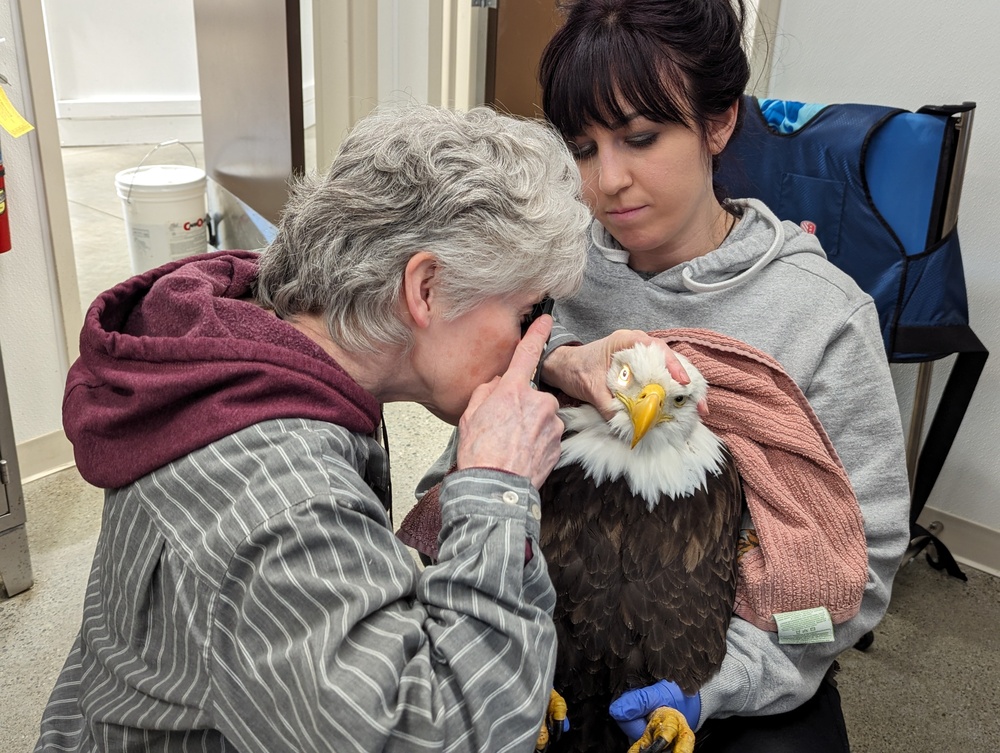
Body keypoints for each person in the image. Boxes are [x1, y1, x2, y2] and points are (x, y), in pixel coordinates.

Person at [34, 104, 595, 752]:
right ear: (427, 288)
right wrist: (498, 489)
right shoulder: (283, 505)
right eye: (525, 314)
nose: (529, 338)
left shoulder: (250, 343)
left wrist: (557, 363)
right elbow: (446, 733)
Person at [533, 0, 912, 751]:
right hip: (546, 635)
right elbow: (469, 469)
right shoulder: (550, 272)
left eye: (640, 137)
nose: (607, 180)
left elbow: (858, 564)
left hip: (734, 658)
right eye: (582, 148)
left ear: (718, 122)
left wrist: (724, 684)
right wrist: (548, 367)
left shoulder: (819, 314)